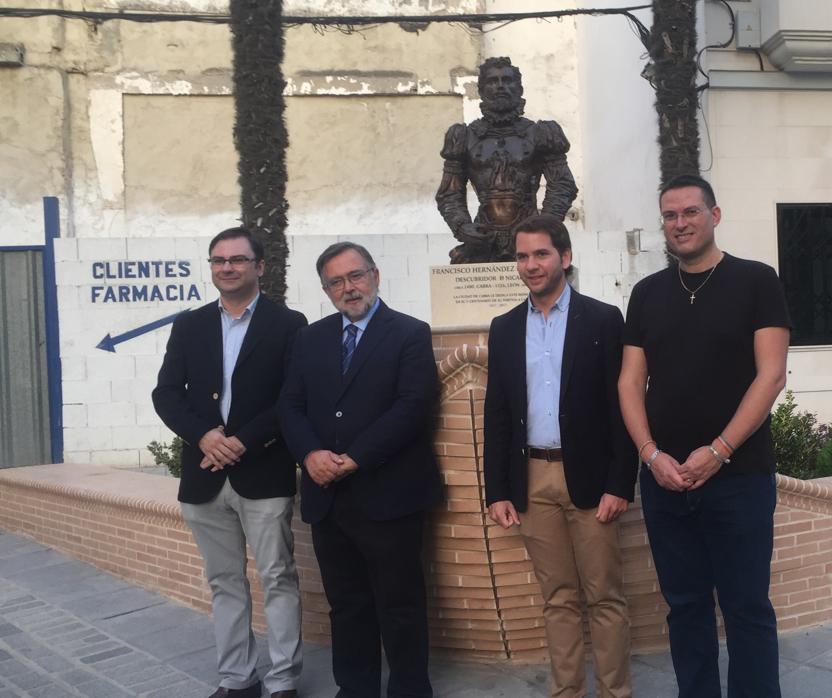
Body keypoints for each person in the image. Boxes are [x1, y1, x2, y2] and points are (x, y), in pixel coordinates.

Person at [618, 175, 791, 697]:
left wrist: (718, 451)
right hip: (667, 484)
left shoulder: (757, 281)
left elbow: (772, 375)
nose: (680, 223)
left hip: (740, 479)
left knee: (746, 609)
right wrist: (650, 456)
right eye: (670, 216)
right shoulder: (647, 294)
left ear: (714, 216)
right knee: (686, 607)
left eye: (691, 212)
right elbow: (629, 381)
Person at [278, 242, 442, 698]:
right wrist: (310, 454)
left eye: (355, 276)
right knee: (346, 605)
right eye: (336, 281)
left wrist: (354, 459)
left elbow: (412, 407)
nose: (348, 288)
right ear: (326, 289)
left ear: (375, 275)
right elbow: (290, 405)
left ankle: (410, 691)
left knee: (400, 605)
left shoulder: (409, 332)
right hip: (328, 499)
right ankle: (356, 688)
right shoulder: (310, 338)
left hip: (389, 495)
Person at [483, 214, 636, 698]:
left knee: (605, 597)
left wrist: (620, 483)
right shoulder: (504, 327)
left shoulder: (603, 319)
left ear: (564, 258)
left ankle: (616, 693)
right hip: (532, 479)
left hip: (590, 480)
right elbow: (499, 413)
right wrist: (498, 490)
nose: (530, 264)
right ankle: (565, 691)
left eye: (541, 254)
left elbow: (622, 407)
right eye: (523, 256)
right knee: (558, 598)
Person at [152, 227, 307, 698]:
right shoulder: (189, 324)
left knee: (278, 577)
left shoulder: (289, 324)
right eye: (218, 260)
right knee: (223, 581)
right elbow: (166, 395)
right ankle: (238, 679)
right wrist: (203, 435)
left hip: (263, 471)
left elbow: (291, 397)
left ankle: (283, 682)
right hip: (203, 476)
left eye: (237, 260)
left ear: (260, 266)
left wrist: (242, 440)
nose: (227, 268)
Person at [436, 56, 579, 264]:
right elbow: (449, 193)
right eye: (493, 81)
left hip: (530, 234)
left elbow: (562, 185)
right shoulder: (464, 137)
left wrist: (543, 227)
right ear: (482, 90)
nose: (500, 86)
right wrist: (462, 226)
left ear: (519, 89)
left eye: (507, 80)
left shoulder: (540, 133)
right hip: (482, 238)